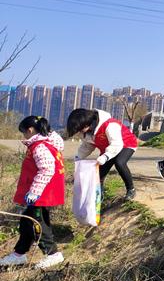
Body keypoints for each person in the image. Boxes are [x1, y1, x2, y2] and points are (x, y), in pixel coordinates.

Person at [0, 116, 65, 269]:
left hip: (42, 192)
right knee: (26, 221)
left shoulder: (40, 146)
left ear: (30, 130)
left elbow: (47, 169)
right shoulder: (44, 143)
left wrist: (35, 191)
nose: (24, 136)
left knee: (38, 223)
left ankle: (53, 254)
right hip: (43, 191)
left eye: (24, 133)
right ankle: (19, 254)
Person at [67, 108, 138, 200]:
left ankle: (131, 189)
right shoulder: (87, 132)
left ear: (86, 124)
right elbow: (88, 146)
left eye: (80, 129)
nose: (80, 132)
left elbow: (117, 144)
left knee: (119, 163)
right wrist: (78, 157)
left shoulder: (110, 125)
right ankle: (99, 195)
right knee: (99, 172)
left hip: (126, 144)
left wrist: (105, 156)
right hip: (108, 148)